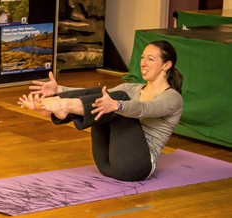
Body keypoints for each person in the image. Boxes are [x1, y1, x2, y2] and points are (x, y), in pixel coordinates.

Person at [18, 40, 184, 182]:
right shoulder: (132, 88)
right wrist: (59, 89)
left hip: (137, 166)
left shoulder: (172, 98)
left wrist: (118, 105)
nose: (143, 63)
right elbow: (93, 94)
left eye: (150, 59)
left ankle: (64, 107)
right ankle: (60, 104)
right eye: (142, 58)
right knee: (105, 97)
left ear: (166, 65)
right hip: (106, 164)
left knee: (117, 99)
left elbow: (144, 109)